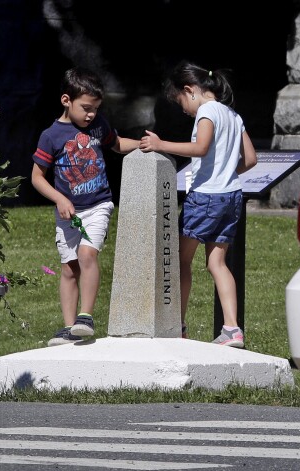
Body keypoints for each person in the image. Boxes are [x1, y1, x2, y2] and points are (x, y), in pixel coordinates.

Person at [139, 60, 257, 348]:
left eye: (182, 102)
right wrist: (225, 171)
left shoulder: (206, 112)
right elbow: (251, 159)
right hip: (231, 196)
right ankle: (232, 329)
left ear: (190, 90)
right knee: (217, 262)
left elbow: (200, 148)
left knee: (181, 260)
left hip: (205, 197)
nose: (184, 110)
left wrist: (161, 144)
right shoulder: (232, 114)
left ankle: (176, 325)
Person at [32, 67, 140, 347]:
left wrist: (142, 144)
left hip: (98, 204)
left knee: (87, 254)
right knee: (69, 268)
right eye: (86, 108)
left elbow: (115, 144)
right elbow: (36, 177)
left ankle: (85, 317)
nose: (91, 114)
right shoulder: (51, 135)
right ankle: (70, 329)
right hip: (68, 210)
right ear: (66, 100)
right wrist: (59, 198)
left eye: (96, 109)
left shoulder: (98, 125)